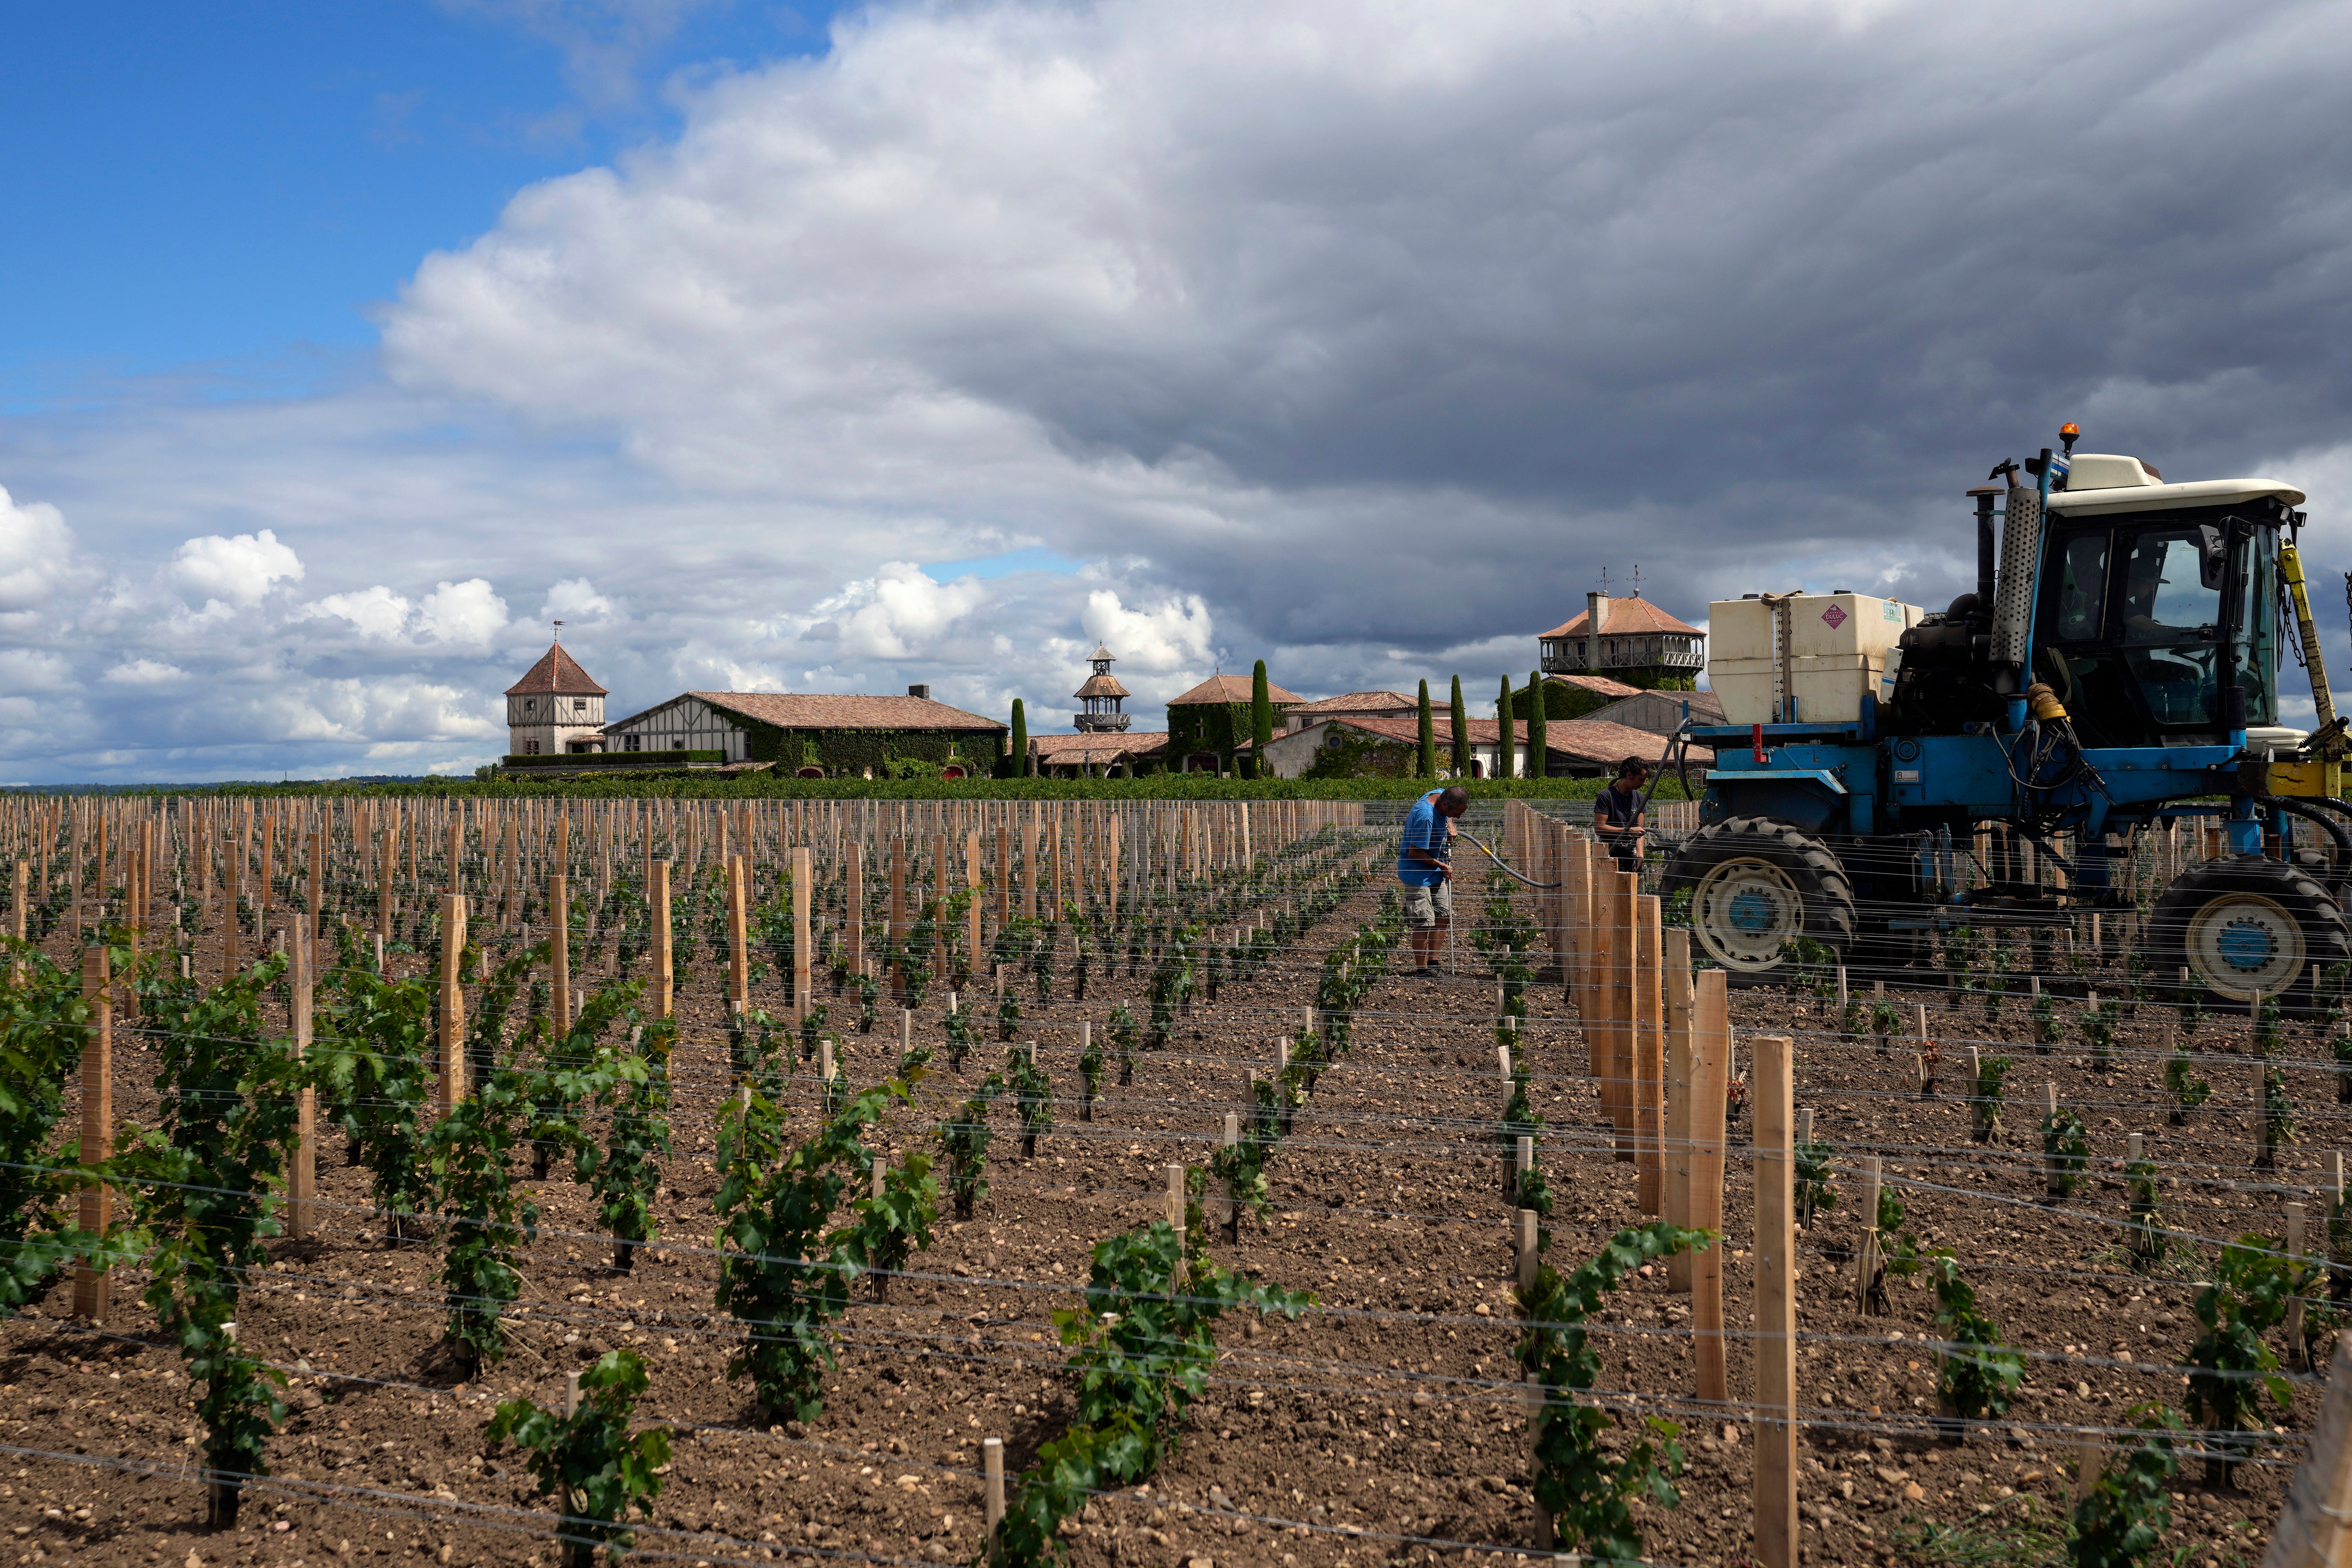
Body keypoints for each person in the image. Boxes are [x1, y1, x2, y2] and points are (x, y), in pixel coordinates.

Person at [1398, 784, 1470, 975]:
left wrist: (1450, 824)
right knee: (1424, 922)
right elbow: (1414, 852)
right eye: (1457, 813)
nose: (1459, 817)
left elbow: (1442, 793)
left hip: (1435, 869)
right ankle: (1422, 971)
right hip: (1417, 873)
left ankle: (1434, 964)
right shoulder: (1426, 817)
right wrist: (1442, 865)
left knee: (1444, 915)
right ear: (1445, 805)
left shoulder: (1439, 795)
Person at [1594, 757, 1650, 873]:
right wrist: (1628, 831)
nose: (1644, 784)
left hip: (1631, 856)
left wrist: (1640, 856)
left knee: (1636, 889)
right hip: (1611, 856)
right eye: (1642, 779)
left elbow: (1640, 832)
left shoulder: (1639, 798)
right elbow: (1599, 828)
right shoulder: (1607, 796)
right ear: (1629, 775)